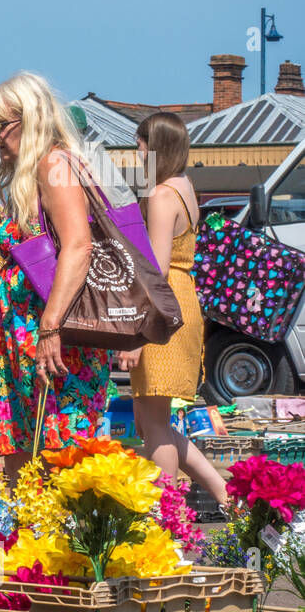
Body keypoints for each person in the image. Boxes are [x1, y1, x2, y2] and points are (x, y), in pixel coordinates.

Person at [0, 72, 112, 478]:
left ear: (31, 119)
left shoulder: (54, 164)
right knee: (28, 462)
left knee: (60, 463)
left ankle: (55, 541)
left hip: (54, 341)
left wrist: (50, 328)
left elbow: (79, 245)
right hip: (25, 341)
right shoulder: (31, 173)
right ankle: (25, 539)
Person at [118, 114, 226, 502]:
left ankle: (164, 515)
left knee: (154, 423)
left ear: (156, 146)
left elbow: (156, 270)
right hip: (181, 300)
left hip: (163, 308)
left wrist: (137, 335)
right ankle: (224, 494)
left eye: (141, 146)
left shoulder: (163, 194)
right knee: (154, 421)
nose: (138, 153)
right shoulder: (185, 187)